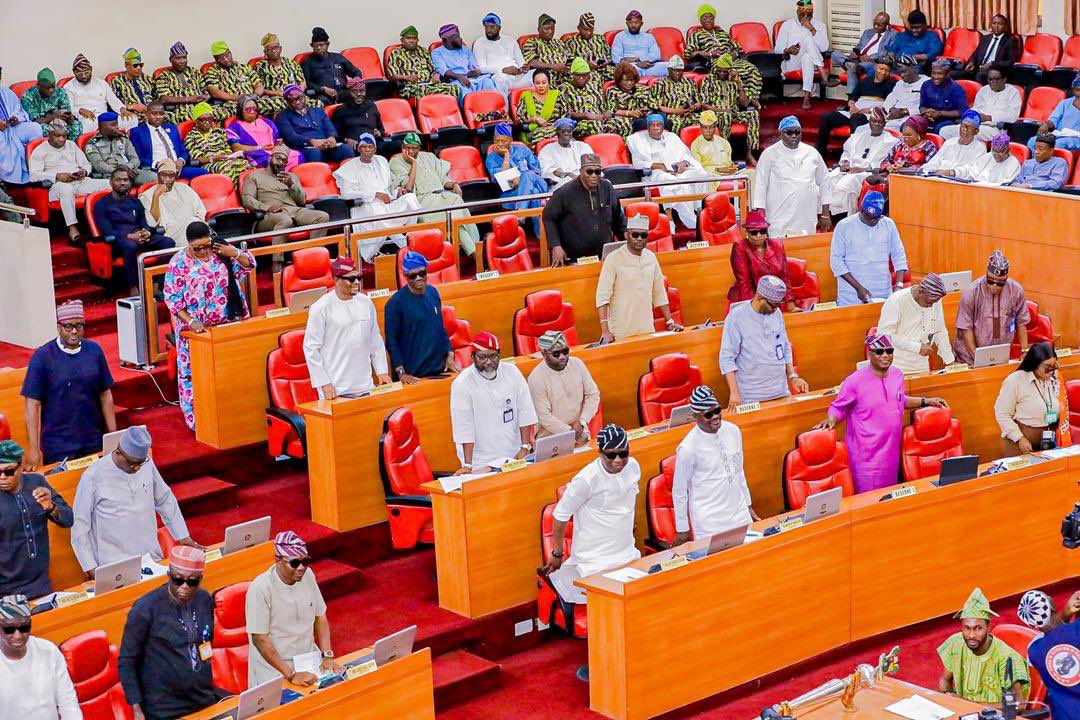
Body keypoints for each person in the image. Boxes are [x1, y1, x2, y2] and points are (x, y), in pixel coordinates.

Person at [813, 333, 947, 492]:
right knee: (869, 500)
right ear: (869, 354)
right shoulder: (854, 381)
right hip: (866, 457)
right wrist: (831, 419)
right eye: (879, 352)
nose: (885, 356)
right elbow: (838, 407)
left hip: (891, 452)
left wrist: (926, 400)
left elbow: (899, 399)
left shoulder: (897, 375)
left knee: (887, 498)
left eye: (889, 351)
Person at [163, 222, 255, 430]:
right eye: (198, 248)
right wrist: (191, 321)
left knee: (231, 368)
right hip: (195, 328)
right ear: (188, 245)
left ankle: (231, 414)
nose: (204, 251)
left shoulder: (220, 250)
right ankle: (198, 421)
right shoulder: (178, 263)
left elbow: (249, 266)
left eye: (206, 245)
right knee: (193, 374)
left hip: (227, 321)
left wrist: (235, 252)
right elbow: (172, 299)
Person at [71, 426, 199, 575]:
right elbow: (79, 525)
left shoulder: (146, 464)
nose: (137, 468)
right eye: (133, 463)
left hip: (151, 559)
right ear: (118, 453)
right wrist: (91, 568)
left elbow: (164, 499)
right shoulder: (92, 477)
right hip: (115, 565)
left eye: (140, 463)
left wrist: (182, 536)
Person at [542, 424, 641, 604]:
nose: (618, 460)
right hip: (596, 563)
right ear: (600, 452)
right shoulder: (587, 479)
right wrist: (557, 554)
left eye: (623, 453)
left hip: (627, 554)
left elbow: (629, 501)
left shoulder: (633, 466)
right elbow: (560, 514)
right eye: (611, 455)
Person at [119, 546, 217, 719]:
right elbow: (127, 661)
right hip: (164, 709)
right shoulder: (145, 609)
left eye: (192, 581)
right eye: (178, 580)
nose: (184, 586)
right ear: (168, 575)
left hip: (203, 699)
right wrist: (136, 709)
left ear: (201, 579)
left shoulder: (204, 599)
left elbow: (206, 641)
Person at [22, 301, 116, 467]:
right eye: (68, 326)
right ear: (58, 327)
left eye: (79, 326)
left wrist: (114, 435)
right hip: (58, 445)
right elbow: (32, 404)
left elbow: (105, 394)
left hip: (92, 440)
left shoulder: (94, 351)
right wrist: (33, 448)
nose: (74, 331)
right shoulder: (42, 357)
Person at [247, 531, 338, 687]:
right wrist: (291, 674)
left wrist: (327, 655)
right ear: (278, 561)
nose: (301, 568)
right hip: (275, 668)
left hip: (308, 660)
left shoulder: (308, 575)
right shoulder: (260, 588)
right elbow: (260, 639)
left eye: (305, 561)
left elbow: (320, 616)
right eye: (295, 563)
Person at [672, 385, 759, 544]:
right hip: (709, 521)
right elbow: (679, 491)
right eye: (708, 414)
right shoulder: (687, 448)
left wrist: (748, 504)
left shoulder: (733, 431)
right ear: (694, 416)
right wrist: (682, 529)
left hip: (739, 513)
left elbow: (738, 471)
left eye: (717, 410)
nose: (715, 417)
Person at [449, 331, 538, 473]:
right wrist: (468, 465)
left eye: (493, 356)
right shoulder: (462, 384)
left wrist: (525, 447)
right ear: (472, 357)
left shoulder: (512, 372)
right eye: (482, 357)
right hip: (481, 460)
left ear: (499, 355)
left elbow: (525, 410)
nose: (488, 362)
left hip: (514, 454)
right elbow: (464, 428)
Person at [303, 257, 390, 400]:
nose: (356, 282)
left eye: (358, 277)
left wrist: (381, 371)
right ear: (336, 280)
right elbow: (311, 349)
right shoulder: (320, 308)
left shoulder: (365, 302)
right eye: (351, 279)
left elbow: (375, 339)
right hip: (336, 388)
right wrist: (324, 383)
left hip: (366, 385)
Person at [721, 274, 807, 410]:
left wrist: (793, 376)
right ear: (760, 299)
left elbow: (784, 348)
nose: (776, 309)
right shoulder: (736, 317)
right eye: (773, 305)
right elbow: (727, 359)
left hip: (781, 391)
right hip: (751, 397)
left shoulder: (776, 313)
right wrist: (734, 393)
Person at [0, 441, 73, 597]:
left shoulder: (37, 482)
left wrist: (51, 507)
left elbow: (68, 520)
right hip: (6, 592)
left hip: (41, 584)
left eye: (9, 471)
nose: (2, 477)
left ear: (21, 468)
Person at [333, 134, 420, 261]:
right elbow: (346, 193)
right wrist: (374, 194)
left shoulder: (382, 161)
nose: (367, 150)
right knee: (379, 213)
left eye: (370, 147)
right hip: (366, 205)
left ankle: (410, 235)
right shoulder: (349, 167)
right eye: (364, 147)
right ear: (358, 149)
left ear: (375, 149)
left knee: (410, 199)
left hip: (387, 203)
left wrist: (398, 192)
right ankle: (407, 246)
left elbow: (389, 188)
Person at [937, 587, 1030, 707]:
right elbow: (945, 679)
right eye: (967, 628)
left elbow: (1018, 704)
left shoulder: (1007, 658)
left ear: (988, 626)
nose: (971, 635)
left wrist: (971, 705)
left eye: (978, 628)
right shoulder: (956, 643)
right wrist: (947, 696)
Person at [390, 133, 479, 255]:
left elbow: (443, 179)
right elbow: (408, 188)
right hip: (423, 202)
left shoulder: (429, 157)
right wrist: (414, 164)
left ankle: (471, 250)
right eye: (407, 147)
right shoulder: (396, 162)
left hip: (442, 196)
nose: (410, 151)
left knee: (456, 203)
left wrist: (453, 185)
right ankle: (475, 252)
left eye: (414, 148)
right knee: (455, 215)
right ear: (402, 148)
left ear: (419, 148)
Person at [596, 214, 682, 341]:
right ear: (626, 235)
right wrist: (605, 330)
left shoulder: (651, 257)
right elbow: (602, 296)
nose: (640, 239)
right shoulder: (613, 258)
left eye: (644, 235)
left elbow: (659, 292)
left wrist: (669, 321)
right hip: (621, 331)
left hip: (647, 328)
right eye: (635, 235)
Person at [93, 168, 176, 294]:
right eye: (118, 180)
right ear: (111, 182)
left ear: (130, 183)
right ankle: (133, 287)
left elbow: (144, 223)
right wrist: (131, 236)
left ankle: (156, 283)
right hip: (119, 240)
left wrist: (146, 232)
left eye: (125, 180)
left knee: (168, 242)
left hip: (139, 237)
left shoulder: (135, 201)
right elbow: (107, 231)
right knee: (129, 246)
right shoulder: (102, 204)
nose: (122, 183)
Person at [0, 594, 82, 720]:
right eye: (9, 629)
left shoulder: (49, 651)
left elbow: (68, 704)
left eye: (24, 628)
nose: (18, 636)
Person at [28, 120, 110, 242]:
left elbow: (86, 164)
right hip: (56, 187)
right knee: (67, 189)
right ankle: (72, 229)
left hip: (79, 182)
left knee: (109, 184)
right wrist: (56, 176)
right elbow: (33, 176)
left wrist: (84, 171)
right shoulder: (40, 150)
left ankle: (108, 224)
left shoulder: (71, 145)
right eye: (57, 136)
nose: (61, 139)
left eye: (64, 136)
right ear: (49, 135)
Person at [627, 114, 711, 229]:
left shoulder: (671, 137)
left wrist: (684, 163)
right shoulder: (637, 139)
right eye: (652, 125)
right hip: (655, 173)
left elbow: (686, 154)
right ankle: (670, 219)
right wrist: (658, 165)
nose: (656, 127)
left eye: (659, 125)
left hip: (677, 171)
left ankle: (699, 210)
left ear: (663, 127)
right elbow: (637, 163)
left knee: (701, 175)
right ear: (647, 127)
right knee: (668, 180)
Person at [384, 251, 457, 383]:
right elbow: (391, 342)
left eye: (422, 273)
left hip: (440, 370)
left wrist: (449, 352)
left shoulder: (433, 292)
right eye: (413, 275)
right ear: (405, 275)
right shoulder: (394, 304)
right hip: (414, 375)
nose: (418, 278)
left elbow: (440, 328)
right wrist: (401, 373)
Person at [542, 153, 626, 265]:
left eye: (597, 172)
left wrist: (625, 236)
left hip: (604, 257)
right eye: (589, 172)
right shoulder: (565, 192)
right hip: (574, 258)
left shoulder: (607, 187)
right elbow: (548, 217)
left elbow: (617, 217)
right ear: (581, 171)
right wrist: (555, 245)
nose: (594, 175)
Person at [242, 146, 331, 251]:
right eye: (278, 158)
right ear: (270, 158)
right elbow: (247, 200)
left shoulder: (291, 177)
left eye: (284, 161)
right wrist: (267, 207)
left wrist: (291, 185)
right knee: (285, 220)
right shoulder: (254, 176)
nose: (280, 163)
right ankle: (277, 263)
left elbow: (302, 201)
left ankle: (314, 254)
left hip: (294, 210)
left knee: (322, 216)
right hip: (268, 215)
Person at [753, 115, 829, 238]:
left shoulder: (812, 153)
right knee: (779, 250)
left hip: (806, 214)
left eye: (797, 132)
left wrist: (825, 213)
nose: (794, 136)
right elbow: (760, 185)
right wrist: (760, 213)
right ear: (781, 133)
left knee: (807, 248)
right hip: (779, 214)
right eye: (789, 132)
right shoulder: (769, 154)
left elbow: (825, 182)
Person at [830, 192, 908, 306]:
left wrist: (899, 284)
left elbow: (899, 255)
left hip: (883, 291)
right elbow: (836, 261)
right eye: (869, 218)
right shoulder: (844, 226)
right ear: (861, 210)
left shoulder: (888, 224)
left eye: (877, 218)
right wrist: (858, 288)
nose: (873, 221)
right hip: (851, 294)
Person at [954, 251, 1028, 367]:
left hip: (1001, 354)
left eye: (1000, 283)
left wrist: (1025, 352)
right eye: (991, 280)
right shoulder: (972, 292)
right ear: (986, 273)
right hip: (969, 356)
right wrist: (977, 358)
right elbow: (965, 328)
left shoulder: (1016, 290)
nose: (994, 285)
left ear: (1006, 278)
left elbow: (1021, 322)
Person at [527, 331, 601, 444]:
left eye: (565, 351)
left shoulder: (577, 364)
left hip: (580, 431)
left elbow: (593, 394)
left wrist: (582, 421)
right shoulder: (536, 378)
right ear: (544, 354)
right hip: (551, 438)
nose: (562, 357)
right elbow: (544, 417)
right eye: (556, 354)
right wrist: (571, 432)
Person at [995, 342, 1067, 456]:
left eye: (1054, 366)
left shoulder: (1055, 379)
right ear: (1035, 364)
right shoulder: (1015, 380)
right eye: (1047, 368)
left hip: (1049, 444)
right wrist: (1019, 438)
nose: (1052, 371)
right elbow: (1002, 414)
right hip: (1020, 444)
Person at [876, 273, 955, 374]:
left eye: (934, 303)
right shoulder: (896, 300)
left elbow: (940, 331)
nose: (931, 306)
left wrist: (950, 361)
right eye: (928, 302)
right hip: (896, 366)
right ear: (921, 291)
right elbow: (884, 335)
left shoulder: (934, 301)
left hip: (921, 366)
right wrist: (916, 347)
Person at [822, 108, 896, 217]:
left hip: (867, 173)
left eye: (880, 122)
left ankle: (841, 216)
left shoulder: (890, 141)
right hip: (849, 170)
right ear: (869, 122)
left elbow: (882, 164)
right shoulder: (858, 135)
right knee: (828, 179)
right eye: (874, 121)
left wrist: (862, 169)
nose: (877, 124)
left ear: (884, 124)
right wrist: (845, 162)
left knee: (846, 184)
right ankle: (824, 213)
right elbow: (847, 151)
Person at [815, 58, 896, 156]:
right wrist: (852, 105)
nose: (883, 72)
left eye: (887, 70)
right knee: (827, 117)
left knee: (856, 118)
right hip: (855, 111)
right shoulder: (865, 81)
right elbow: (853, 97)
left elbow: (889, 105)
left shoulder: (892, 84)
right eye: (881, 68)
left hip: (871, 115)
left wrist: (868, 110)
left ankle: (854, 154)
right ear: (875, 67)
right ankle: (819, 154)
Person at [686, 4, 764, 102]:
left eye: (711, 17)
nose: (708, 20)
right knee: (733, 74)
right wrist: (710, 54)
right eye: (704, 18)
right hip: (716, 62)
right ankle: (736, 102)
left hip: (732, 60)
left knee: (753, 70)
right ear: (700, 20)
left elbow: (738, 49)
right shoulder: (696, 35)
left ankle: (751, 101)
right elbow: (689, 54)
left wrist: (734, 54)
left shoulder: (722, 33)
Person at [485, 123, 546, 236]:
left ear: (511, 140)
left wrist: (521, 176)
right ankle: (540, 237)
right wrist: (506, 156)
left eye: (504, 141)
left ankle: (521, 214)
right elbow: (502, 180)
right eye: (497, 141)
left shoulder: (523, 150)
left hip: (537, 183)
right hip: (511, 192)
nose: (500, 144)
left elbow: (537, 171)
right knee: (533, 193)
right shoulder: (491, 158)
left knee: (527, 176)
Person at [1027, 590, 1080, 718]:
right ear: (1054, 606)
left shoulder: (1033, 651)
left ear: (1032, 625)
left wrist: (1064, 616)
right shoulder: (1076, 628)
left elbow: (1054, 638)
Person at [276, 85, 354, 164]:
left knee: (346, 149)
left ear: (304, 97)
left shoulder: (318, 111)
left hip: (326, 145)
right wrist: (312, 142)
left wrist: (331, 138)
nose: (298, 102)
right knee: (315, 153)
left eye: (300, 98)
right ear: (287, 101)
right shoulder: (283, 116)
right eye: (292, 100)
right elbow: (291, 137)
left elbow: (330, 128)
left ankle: (346, 175)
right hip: (305, 147)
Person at [726, 214, 792, 305]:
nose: (759, 235)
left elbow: (784, 276)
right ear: (747, 232)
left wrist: (790, 302)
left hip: (772, 301)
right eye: (754, 232)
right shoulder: (740, 247)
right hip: (746, 300)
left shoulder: (777, 245)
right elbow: (744, 282)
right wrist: (753, 307)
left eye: (763, 231)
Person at [699, 55, 761, 152]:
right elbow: (704, 104)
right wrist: (724, 110)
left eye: (724, 71)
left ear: (729, 71)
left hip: (733, 113)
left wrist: (739, 84)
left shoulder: (734, 81)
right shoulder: (709, 80)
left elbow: (744, 103)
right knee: (726, 115)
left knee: (753, 114)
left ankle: (750, 153)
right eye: (719, 70)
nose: (721, 73)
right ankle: (723, 151)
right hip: (716, 114)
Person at [940, 66, 1020, 142]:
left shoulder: (1013, 92)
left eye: (996, 79)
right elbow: (976, 109)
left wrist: (989, 118)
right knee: (944, 131)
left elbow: (1012, 117)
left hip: (996, 129)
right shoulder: (983, 90)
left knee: (968, 133)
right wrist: (971, 115)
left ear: (1004, 79)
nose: (992, 82)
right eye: (990, 79)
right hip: (976, 125)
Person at [775, 0, 830, 109]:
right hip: (791, 61)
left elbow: (824, 47)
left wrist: (811, 28)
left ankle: (806, 97)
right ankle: (822, 71)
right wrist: (787, 49)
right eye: (802, 14)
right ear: (797, 12)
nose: (805, 16)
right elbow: (777, 49)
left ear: (812, 14)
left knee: (807, 57)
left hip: (810, 63)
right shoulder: (787, 25)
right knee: (806, 39)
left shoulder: (820, 26)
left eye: (808, 14)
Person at [130, 102, 206, 180]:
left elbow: (183, 151)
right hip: (157, 170)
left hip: (177, 168)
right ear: (146, 114)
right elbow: (138, 158)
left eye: (161, 114)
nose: (158, 117)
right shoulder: (137, 132)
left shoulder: (172, 128)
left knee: (204, 173)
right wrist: (157, 164)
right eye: (154, 114)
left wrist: (181, 160)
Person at [140, 160, 205, 251]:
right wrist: (156, 196)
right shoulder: (147, 195)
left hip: (192, 227)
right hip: (168, 232)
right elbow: (152, 223)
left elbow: (201, 211)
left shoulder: (185, 188)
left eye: (171, 176)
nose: (167, 179)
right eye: (164, 175)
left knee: (195, 224)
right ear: (158, 175)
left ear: (175, 176)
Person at [203, 41, 280, 116]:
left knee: (281, 102)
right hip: (234, 104)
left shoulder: (244, 68)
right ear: (215, 59)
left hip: (255, 100)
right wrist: (238, 98)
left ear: (230, 53)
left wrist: (255, 95)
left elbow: (258, 85)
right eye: (220, 58)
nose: (226, 60)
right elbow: (214, 92)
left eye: (227, 55)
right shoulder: (212, 72)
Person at [225, 95, 300, 170]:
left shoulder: (267, 122)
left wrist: (278, 143)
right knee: (273, 159)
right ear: (241, 110)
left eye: (255, 109)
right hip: (255, 154)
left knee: (298, 155)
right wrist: (260, 148)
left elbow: (276, 140)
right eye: (248, 109)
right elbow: (236, 147)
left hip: (273, 151)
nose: (252, 112)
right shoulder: (234, 127)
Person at [183, 102, 251, 184]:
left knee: (245, 165)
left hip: (226, 160)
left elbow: (227, 148)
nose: (207, 122)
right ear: (196, 120)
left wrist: (231, 156)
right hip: (209, 164)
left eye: (209, 119)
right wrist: (213, 159)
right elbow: (197, 159)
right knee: (228, 169)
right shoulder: (191, 137)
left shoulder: (219, 132)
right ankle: (241, 193)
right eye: (203, 119)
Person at [65, 54, 135, 133]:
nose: (84, 76)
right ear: (74, 72)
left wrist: (122, 109)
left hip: (104, 117)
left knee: (132, 118)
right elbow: (68, 108)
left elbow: (113, 100)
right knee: (86, 125)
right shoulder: (68, 87)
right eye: (80, 74)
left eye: (86, 72)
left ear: (91, 69)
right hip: (87, 119)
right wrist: (80, 110)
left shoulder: (101, 83)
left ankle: (127, 143)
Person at [829, 12, 896, 93]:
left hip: (872, 62)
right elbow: (858, 47)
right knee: (835, 54)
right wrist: (853, 54)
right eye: (875, 23)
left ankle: (851, 98)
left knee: (852, 70)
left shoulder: (893, 35)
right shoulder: (867, 32)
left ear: (887, 25)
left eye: (879, 25)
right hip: (858, 59)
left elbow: (889, 55)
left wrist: (870, 58)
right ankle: (851, 64)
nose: (876, 26)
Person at [386, 26, 459, 101]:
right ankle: (426, 112)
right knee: (423, 90)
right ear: (402, 40)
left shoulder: (423, 51)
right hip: (409, 87)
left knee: (453, 88)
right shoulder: (396, 53)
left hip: (429, 84)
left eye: (414, 38)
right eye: (408, 38)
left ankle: (448, 111)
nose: (411, 41)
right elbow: (392, 76)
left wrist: (435, 75)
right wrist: (406, 77)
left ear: (417, 40)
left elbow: (433, 70)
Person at [0, 76, 49, 185]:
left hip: (10, 127)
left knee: (34, 129)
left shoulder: (5, 92)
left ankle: (38, 169)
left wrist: (16, 118)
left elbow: (19, 111)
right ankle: (8, 180)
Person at [553, 58, 619, 138]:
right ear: (572, 74)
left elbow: (607, 104)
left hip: (601, 119)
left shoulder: (594, 86)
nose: (581, 78)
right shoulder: (564, 88)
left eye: (584, 75)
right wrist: (585, 115)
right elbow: (565, 113)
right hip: (580, 123)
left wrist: (608, 112)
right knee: (594, 125)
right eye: (578, 75)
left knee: (623, 122)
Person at [84, 113, 156, 185]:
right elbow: (99, 165)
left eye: (117, 124)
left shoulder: (123, 139)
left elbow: (135, 158)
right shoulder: (92, 144)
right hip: (111, 175)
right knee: (120, 185)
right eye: (113, 125)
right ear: (102, 127)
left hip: (131, 172)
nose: (117, 127)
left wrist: (128, 167)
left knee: (154, 177)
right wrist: (120, 172)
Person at [473, 13, 533, 97]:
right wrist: (503, 70)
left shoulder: (510, 40)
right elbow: (481, 68)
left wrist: (523, 67)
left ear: (499, 28)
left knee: (539, 75)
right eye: (487, 27)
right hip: (499, 75)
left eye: (492, 27)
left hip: (518, 75)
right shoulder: (479, 43)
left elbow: (521, 61)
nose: (489, 30)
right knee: (501, 80)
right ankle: (505, 109)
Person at [154, 42, 215, 124]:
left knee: (226, 110)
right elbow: (163, 98)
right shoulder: (164, 76)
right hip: (182, 110)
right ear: (171, 60)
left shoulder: (194, 72)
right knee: (200, 118)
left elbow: (206, 90)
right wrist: (188, 99)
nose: (182, 61)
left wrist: (205, 97)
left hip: (201, 107)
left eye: (184, 57)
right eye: (178, 58)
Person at [432, 24, 498, 101]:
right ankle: (473, 111)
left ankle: (495, 111)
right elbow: (442, 70)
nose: (461, 39)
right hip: (456, 81)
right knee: (465, 92)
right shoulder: (437, 52)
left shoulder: (464, 49)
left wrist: (476, 72)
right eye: (457, 37)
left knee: (488, 82)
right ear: (448, 39)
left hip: (473, 79)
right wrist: (459, 76)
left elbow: (474, 67)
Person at [300, 26, 361, 106]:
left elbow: (356, 72)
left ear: (327, 44)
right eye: (316, 45)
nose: (318, 48)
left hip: (343, 92)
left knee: (357, 95)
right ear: (312, 45)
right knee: (321, 101)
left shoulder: (338, 57)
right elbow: (306, 82)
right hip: (322, 95)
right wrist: (323, 89)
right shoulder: (307, 62)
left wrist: (356, 79)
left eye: (321, 45)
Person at [21, 67, 82, 141]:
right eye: (47, 88)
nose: (51, 90)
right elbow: (33, 122)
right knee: (44, 129)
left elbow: (66, 110)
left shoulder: (60, 92)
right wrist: (51, 118)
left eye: (53, 86)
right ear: (38, 85)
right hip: (43, 124)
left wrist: (69, 117)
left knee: (76, 125)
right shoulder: (28, 97)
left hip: (60, 122)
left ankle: (70, 148)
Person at [921, 110, 988, 174]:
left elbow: (973, 170)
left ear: (976, 131)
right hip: (938, 178)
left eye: (969, 127)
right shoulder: (949, 143)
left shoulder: (980, 148)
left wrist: (951, 173)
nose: (964, 129)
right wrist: (923, 169)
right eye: (963, 125)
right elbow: (935, 161)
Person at [254, 33, 311, 107]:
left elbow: (303, 82)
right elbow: (260, 89)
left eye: (276, 47)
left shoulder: (291, 63)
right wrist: (277, 93)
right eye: (270, 49)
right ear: (265, 52)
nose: (274, 51)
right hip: (275, 99)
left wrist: (297, 93)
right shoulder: (261, 66)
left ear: (280, 48)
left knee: (318, 104)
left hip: (296, 96)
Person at [332, 78, 386, 153]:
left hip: (374, 143)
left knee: (398, 145)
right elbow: (334, 134)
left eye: (361, 91)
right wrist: (346, 140)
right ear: (349, 92)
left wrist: (379, 133)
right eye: (355, 91)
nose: (358, 94)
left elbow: (381, 129)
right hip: (355, 145)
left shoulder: (371, 106)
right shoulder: (341, 110)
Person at [962, 15, 1021, 83]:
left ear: (1005, 27)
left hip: (996, 71)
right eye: (994, 23)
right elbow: (976, 54)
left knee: (980, 75)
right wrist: (971, 62)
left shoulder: (1011, 40)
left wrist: (992, 64)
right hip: (978, 68)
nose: (996, 26)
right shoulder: (986, 38)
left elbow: (1010, 61)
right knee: (954, 74)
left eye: (1000, 24)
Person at [651, 56, 702, 134]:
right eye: (675, 70)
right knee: (677, 124)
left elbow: (699, 102)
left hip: (690, 114)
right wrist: (676, 111)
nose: (678, 73)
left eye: (680, 70)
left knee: (706, 121)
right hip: (672, 115)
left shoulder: (690, 82)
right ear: (669, 70)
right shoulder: (660, 84)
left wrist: (693, 107)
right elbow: (656, 106)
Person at [611, 10, 670, 78]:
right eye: (630, 22)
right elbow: (616, 58)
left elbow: (656, 55)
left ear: (641, 23)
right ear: (627, 23)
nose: (633, 25)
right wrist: (637, 64)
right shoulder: (620, 36)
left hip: (648, 66)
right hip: (630, 67)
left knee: (670, 67)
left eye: (636, 22)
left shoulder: (649, 37)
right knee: (628, 71)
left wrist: (640, 60)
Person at [947, 131, 1021, 184]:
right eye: (994, 152)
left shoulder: (1013, 163)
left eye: (1000, 152)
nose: (996, 155)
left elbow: (1005, 184)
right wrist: (953, 172)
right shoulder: (988, 156)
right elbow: (972, 170)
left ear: (1008, 150)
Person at [879, 55, 929, 132]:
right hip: (892, 118)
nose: (902, 75)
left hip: (912, 120)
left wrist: (905, 112)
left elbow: (928, 107)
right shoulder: (900, 83)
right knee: (862, 129)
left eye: (904, 71)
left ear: (914, 69)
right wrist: (892, 109)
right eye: (900, 72)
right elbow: (889, 101)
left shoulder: (927, 83)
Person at [690, 110, 741, 185]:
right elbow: (698, 169)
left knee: (751, 173)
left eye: (711, 127)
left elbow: (729, 162)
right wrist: (718, 169)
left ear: (715, 127)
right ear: (700, 127)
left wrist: (732, 167)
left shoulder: (724, 142)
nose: (708, 131)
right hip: (712, 175)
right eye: (705, 128)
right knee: (707, 178)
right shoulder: (696, 144)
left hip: (729, 174)